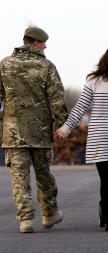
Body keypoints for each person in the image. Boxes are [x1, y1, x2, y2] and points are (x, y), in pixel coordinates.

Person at [54, 44, 108, 232]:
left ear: (105, 60)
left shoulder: (94, 81)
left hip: (100, 138)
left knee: (106, 181)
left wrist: (65, 128)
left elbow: (79, 108)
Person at [0, 26, 68, 233]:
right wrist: (62, 124)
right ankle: (49, 214)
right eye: (44, 42)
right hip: (40, 132)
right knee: (44, 174)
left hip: (13, 132)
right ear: (36, 42)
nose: (46, 46)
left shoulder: (4, 65)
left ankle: (25, 220)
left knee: (19, 178)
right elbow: (57, 98)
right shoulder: (47, 66)